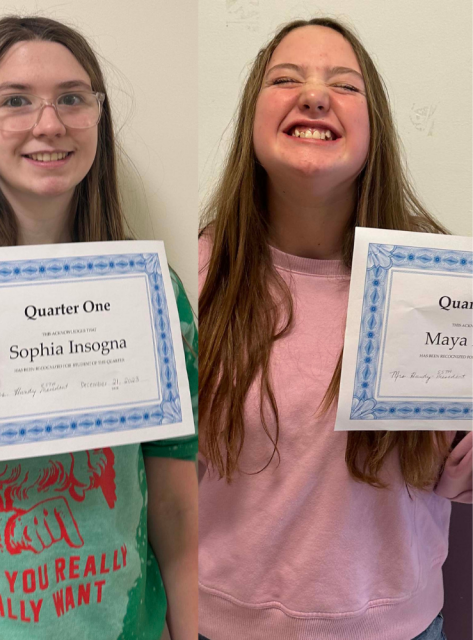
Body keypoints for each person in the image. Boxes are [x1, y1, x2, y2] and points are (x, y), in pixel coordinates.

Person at [0, 16, 199, 639]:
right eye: (15, 101)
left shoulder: (154, 291)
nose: (50, 124)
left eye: (72, 98)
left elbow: (175, 502)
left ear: (99, 115)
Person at [197, 18, 473, 640]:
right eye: (286, 78)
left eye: (344, 86)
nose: (314, 95)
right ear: (251, 118)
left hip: (403, 627)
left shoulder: (445, 280)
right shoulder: (193, 278)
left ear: (376, 126)